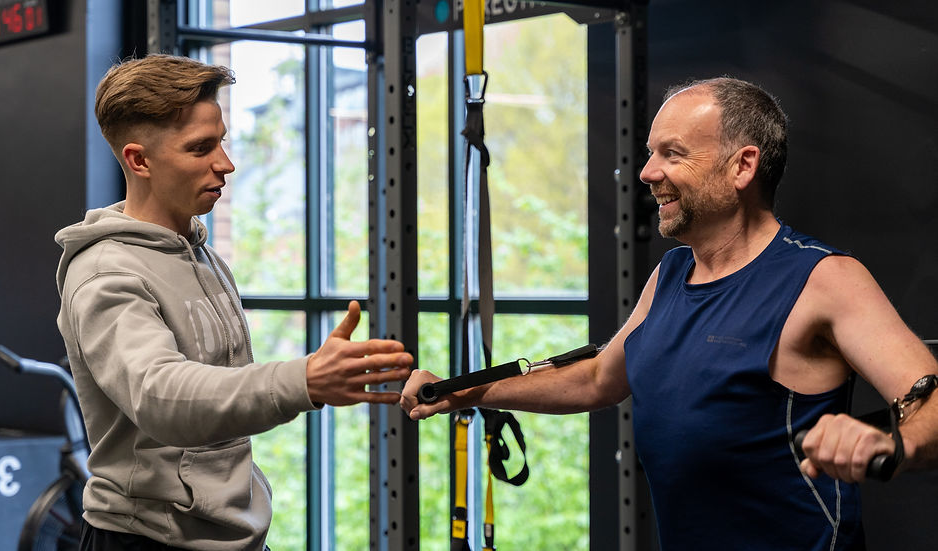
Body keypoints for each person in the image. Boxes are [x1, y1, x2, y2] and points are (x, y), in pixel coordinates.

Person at [401, 77, 938, 550]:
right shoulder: (672, 275)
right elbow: (596, 378)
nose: (647, 171)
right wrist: (462, 393)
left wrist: (890, 442)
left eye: (672, 154)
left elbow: (932, 401)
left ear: (742, 166)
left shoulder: (824, 280)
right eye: (651, 152)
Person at [56, 54, 413, 551]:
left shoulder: (203, 257)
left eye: (221, 141)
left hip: (231, 535)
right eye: (201, 147)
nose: (225, 162)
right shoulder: (104, 271)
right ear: (139, 160)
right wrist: (304, 380)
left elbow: (218, 402)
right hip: (145, 540)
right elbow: (161, 395)